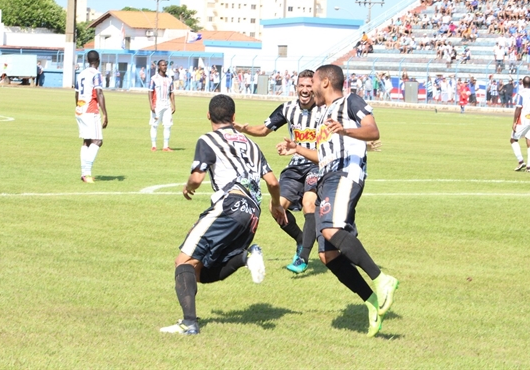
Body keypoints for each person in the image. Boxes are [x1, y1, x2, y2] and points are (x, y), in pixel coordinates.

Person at [278, 64, 399, 337]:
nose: (310, 88)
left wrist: (345, 131)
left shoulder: (350, 102)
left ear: (324, 83)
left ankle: (382, 279)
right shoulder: (326, 115)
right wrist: (295, 148)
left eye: (314, 82)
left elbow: (372, 130)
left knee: (331, 229)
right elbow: (324, 157)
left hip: (345, 174)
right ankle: (372, 301)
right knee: (327, 254)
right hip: (328, 176)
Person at [160, 94, 287, 335]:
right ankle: (246, 257)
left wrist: (189, 186)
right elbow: (272, 180)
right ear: (234, 117)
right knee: (197, 271)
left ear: (209, 116)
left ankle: (189, 324)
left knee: (183, 262)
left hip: (229, 205)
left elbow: (197, 178)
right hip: (252, 213)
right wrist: (277, 205)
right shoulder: (251, 144)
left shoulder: (207, 139)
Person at [234, 70, 320, 272]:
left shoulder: (325, 109)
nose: (305, 90)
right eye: (302, 86)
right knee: (276, 207)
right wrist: (244, 129)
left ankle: (303, 257)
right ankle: (300, 239)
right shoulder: (288, 109)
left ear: (315, 88)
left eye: (309, 86)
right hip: (295, 164)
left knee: (309, 203)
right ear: (296, 87)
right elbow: (264, 130)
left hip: (318, 163)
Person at [74, 50, 108, 183]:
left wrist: (78, 108)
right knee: (98, 141)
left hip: (80, 109)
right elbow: (99, 92)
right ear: (98, 61)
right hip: (91, 109)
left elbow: (76, 94)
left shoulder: (81, 74)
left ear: (88, 61)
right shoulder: (96, 74)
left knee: (87, 141)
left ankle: (84, 173)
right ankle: (87, 173)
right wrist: (105, 113)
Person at [510, 76, 530, 173]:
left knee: (513, 140)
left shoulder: (521, 93)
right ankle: (529, 167)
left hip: (523, 119)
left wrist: (514, 121)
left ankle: (521, 161)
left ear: (522, 83)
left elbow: (518, 108)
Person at [149, 59, 176, 152]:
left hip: (167, 105)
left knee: (168, 125)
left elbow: (172, 93)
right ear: (159, 66)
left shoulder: (169, 79)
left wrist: (173, 105)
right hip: (157, 105)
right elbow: (150, 92)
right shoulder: (154, 79)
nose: (165, 67)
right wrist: (151, 104)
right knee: (154, 125)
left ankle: (166, 146)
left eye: (165, 65)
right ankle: (154, 146)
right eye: (163, 65)